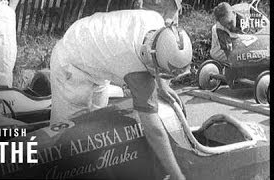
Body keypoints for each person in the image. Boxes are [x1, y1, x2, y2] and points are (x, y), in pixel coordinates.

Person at [49, 10, 192, 179]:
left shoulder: (156, 21)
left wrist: (161, 85)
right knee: (68, 139)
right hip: (71, 61)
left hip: (93, 49)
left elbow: (158, 57)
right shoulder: (133, 69)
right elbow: (154, 131)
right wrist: (177, 175)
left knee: (96, 131)